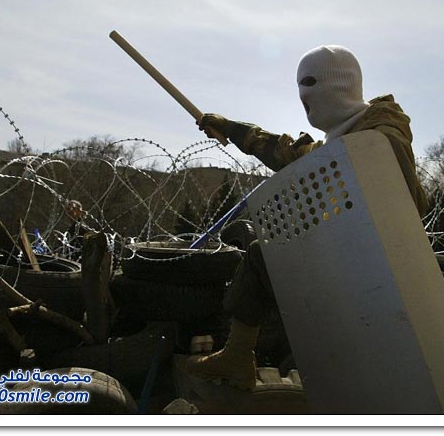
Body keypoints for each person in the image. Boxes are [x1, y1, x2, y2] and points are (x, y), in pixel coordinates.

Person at [182, 45, 428, 390]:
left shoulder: (380, 139)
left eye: (311, 84)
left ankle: (239, 354)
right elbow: (284, 151)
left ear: (339, 85)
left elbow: (404, 209)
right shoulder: (346, 137)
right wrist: (232, 129)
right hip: (350, 258)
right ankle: (238, 354)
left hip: (377, 267)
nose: (304, 97)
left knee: (263, 257)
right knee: (260, 254)